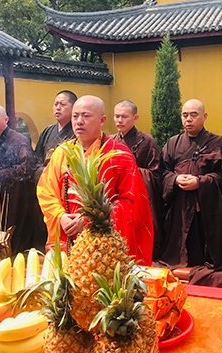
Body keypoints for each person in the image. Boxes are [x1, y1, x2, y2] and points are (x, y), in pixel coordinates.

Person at [37, 95, 153, 264]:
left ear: (102, 120)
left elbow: (131, 202)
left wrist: (90, 219)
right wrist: (60, 216)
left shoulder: (119, 155)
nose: (79, 121)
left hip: (105, 245)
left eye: (86, 116)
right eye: (75, 116)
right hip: (67, 237)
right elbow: (46, 191)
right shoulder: (62, 152)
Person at [159, 99, 222, 272]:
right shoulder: (173, 143)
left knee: (202, 243)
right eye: (185, 115)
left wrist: (200, 182)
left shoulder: (217, 142)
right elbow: (162, 172)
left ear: (204, 116)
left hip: (205, 205)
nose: (188, 119)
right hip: (179, 205)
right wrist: (174, 179)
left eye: (193, 114)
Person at [0, 105, 46, 253]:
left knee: (11, 228)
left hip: (13, 195)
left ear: (6, 119)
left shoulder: (19, 140)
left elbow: (27, 168)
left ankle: (13, 254)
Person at [112, 100, 164, 260]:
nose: (119, 120)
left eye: (124, 117)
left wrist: (131, 172)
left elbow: (156, 174)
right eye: (117, 116)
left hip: (139, 197)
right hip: (116, 197)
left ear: (135, 117)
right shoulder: (110, 141)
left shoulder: (147, 142)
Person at [34, 90, 77, 169]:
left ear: (74, 107)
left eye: (62, 104)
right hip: (45, 176)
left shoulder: (77, 132)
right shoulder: (47, 131)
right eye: (56, 104)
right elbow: (36, 158)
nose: (58, 108)